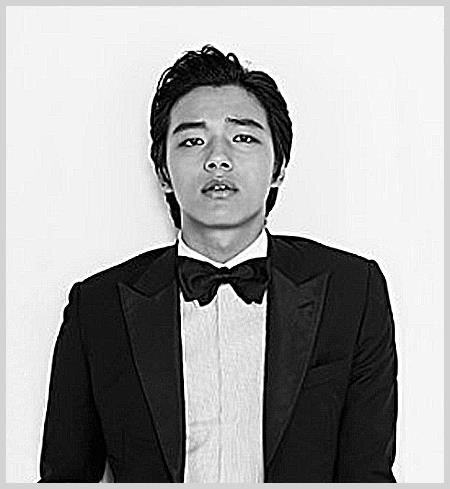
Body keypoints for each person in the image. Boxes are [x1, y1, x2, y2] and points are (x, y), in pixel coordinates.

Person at [39, 45, 398, 483]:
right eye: (193, 140)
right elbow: (65, 478)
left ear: (279, 167)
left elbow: (369, 475)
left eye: (243, 137)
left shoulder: (353, 291)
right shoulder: (98, 307)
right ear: (164, 173)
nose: (217, 158)